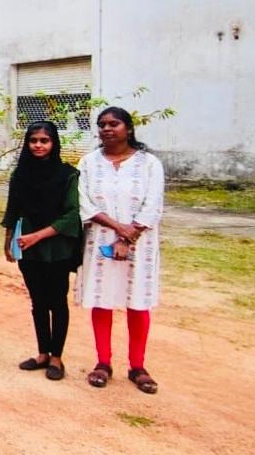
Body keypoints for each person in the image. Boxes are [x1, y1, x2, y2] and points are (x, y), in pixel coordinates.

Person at [78, 107, 164, 394]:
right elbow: (85, 203)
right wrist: (117, 228)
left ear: (129, 128)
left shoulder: (149, 164)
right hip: (100, 238)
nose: (107, 129)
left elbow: (153, 204)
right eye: (102, 124)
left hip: (141, 242)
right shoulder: (89, 163)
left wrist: (129, 236)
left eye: (114, 124)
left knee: (137, 300)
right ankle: (103, 363)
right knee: (101, 299)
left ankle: (137, 366)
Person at [2, 121, 81, 382]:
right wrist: (9, 240)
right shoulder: (20, 175)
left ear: (54, 143)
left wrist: (37, 236)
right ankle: (42, 353)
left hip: (56, 246)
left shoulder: (68, 175)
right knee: (37, 301)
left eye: (44, 141)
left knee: (57, 301)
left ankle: (57, 357)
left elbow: (72, 214)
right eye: (33, 140)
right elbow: (13, 209)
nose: (38, 145)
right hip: (27, 246)